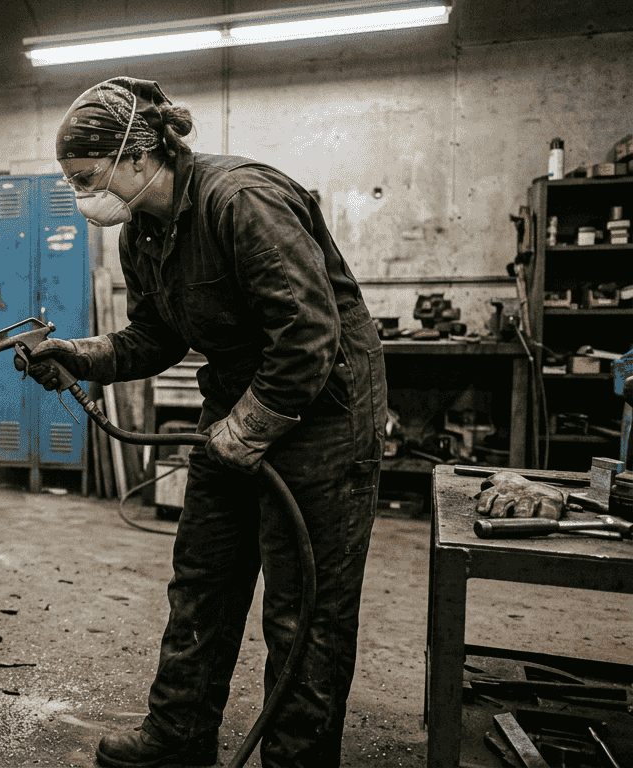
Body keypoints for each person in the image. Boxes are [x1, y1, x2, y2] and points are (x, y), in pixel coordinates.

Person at [28, 77, 387, 768]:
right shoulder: (143, 233)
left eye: (84, 177)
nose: (80, 195)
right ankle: (179, 734)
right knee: (203, 576)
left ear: (136, 156)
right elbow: (155, 338)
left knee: (302, 607)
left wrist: (247, 429)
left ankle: (296, 758)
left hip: (325, 406)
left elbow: (308, 336)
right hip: (238, 394)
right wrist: (81, 355)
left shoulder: (241, 200)